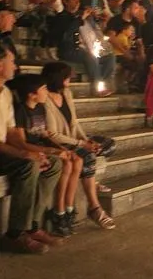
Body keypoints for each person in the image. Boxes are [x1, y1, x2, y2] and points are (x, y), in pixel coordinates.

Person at [0, 45, 63, 254]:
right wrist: (25, 154)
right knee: (28, 164)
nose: (15, 66)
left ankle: (33, 226)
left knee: (53, 164)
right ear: (0, 65)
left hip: (3, 149)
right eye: (12, 62)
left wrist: (39, 152)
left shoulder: (6, 92)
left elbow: (12, 134)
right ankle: (15, 233)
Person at [42, 61, 117, 230]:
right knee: (88, 157)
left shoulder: (66, 93)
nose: (70, 81)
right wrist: (81, 143)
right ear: (58, 78)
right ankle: (94, 207)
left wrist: (87, 141)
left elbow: (74, 122)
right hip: (59, 143)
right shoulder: (44, 98)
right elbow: (52, 134)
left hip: (75, 139)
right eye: (67, 78)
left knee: (109, 145)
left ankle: (90, 178)